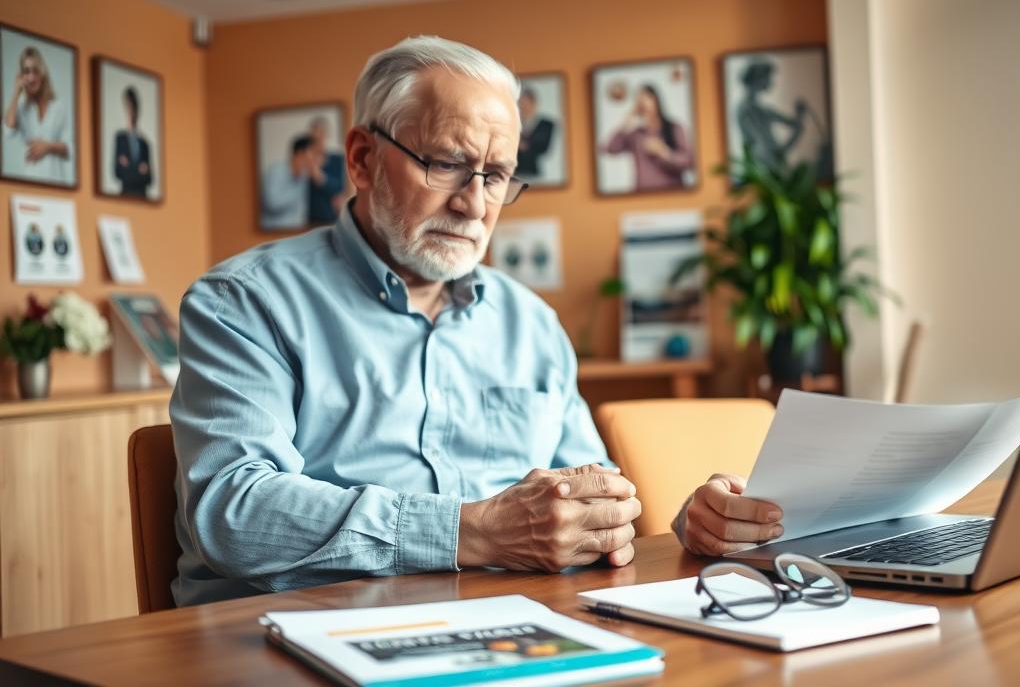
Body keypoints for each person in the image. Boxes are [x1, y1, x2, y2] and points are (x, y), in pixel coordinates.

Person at [170, 36, 778, 607]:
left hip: (510, 630)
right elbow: (234, 513)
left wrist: (689, 526)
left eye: (497, 176)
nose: (474, 204)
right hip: (295, 634)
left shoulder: (532, 324)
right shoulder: (245, 303)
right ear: (361, 158)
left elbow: (594, 505)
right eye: (446, 165)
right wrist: (472, 532)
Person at [601, 84, 692, 191]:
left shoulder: (675, 128)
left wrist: (664, 152)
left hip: (673, 195)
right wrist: (625, 124)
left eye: (646, 98)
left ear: (656, 100)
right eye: (639, 100)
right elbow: (610, 149)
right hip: (643, 196)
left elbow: (688, 162)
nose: (643, 103)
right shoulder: (636, 135)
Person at [3, 46, 72, 184]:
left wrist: (48, 147)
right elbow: (8, 130)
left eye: (35, 71)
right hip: (30, 180)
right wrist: (16, 93)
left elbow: (70, 149)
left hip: (57, 182)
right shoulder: (22, 108)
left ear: (42, 73)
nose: (31, 77)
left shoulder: (59, 107)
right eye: (26, 72)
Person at [736, 59, 805, 174]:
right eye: (768, 77)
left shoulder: (761, 109)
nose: (771, 81)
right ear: (759, 79)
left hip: (773, 166)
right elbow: (766, 147)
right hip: (767, 169)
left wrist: (800, 115)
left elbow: (794, 124)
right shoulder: (748, 110)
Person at [259, 134, 322, 230]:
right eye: (314, 154)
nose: (317, 159)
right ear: (300, 154)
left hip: (294, 234)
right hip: (273, 233)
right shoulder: (277, 171)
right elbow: (273, 204)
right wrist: (298, 188)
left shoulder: (303, 177)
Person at [305, 116, 347, 224]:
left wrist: (318, 175)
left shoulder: (337, 159)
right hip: (309, 220)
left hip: (333, 219)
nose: (318, 140)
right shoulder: (304, 160)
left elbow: (340, 188)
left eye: (321, 134)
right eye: (314, 137)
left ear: (327, 135)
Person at [113, 86, 153, 198]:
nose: (131, 111)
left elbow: (149, 178)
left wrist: (128, 166)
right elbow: (118, 172)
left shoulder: (145, 143)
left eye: (133, 106)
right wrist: (138, 169)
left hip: (142, 197)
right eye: (128, 106)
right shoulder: (120, 138)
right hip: (125, 195)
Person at [516, 87, 554, 179]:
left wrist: (525, 146)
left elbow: (544, 149)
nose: (523, 107)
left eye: (526, 103)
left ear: (534, 103)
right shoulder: (513, 123)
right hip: (515, 171)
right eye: (521, 104)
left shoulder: (546, 125)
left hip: (533, 172)